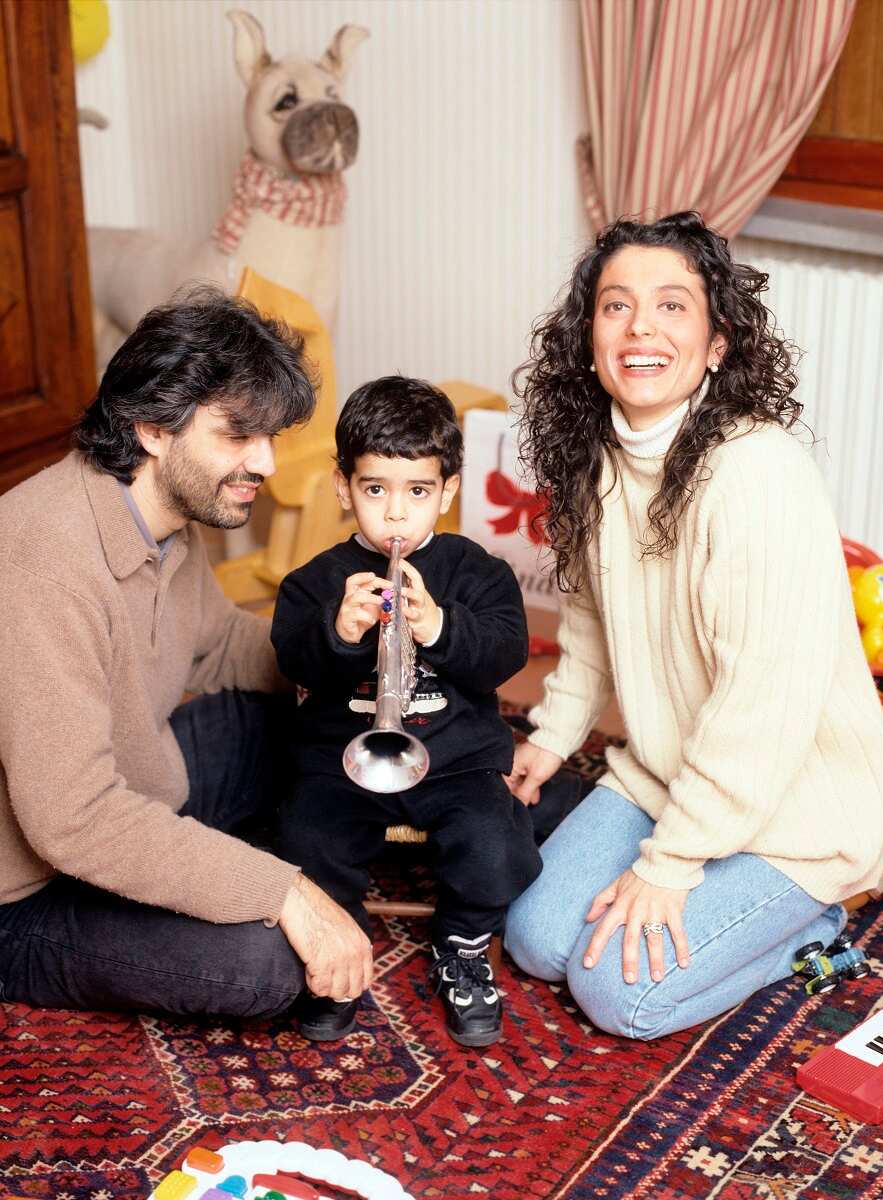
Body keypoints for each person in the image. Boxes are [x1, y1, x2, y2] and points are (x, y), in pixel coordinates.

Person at [503, 212, 883, 1040]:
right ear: (590, 336)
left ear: (717, 343)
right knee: (536, 941)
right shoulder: (594, 457)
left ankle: (815, 925)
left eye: (673, 306)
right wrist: (551, 733)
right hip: (664, 772)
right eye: (617, 307)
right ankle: (706, 878)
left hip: (791, 806)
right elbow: (589, 620)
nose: (641, 326)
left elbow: (760, 709)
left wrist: (670, 867)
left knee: (619, 994)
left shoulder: (756, 475)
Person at [0, 290, 373, 1021]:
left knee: (321, 718)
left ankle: (481, 798)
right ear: (152, 426)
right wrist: (282, 889)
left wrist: (341, 649)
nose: (263, 462)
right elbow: (71, 819)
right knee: (266, 965)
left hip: (131, 789)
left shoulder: (166, 514)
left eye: (269, 437)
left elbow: (221, 647)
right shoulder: (41, 562)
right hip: (25, 890)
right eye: (240, 435)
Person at [270, 376, 542, 1047]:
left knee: (494, 839)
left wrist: (442, 627)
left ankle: (463, 944)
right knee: (302, 832)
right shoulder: (316, 579)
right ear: (343, 487)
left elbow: (504, 651)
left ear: (447, 491)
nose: (396, 516)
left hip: (453, 761)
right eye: (375, 490)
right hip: (345, 762)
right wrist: (338, 632)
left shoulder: (476, 572)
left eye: (417, 492)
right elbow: (292, 658)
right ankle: (335, 949)